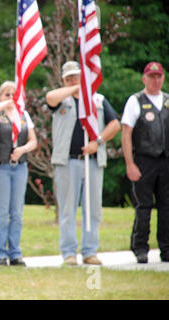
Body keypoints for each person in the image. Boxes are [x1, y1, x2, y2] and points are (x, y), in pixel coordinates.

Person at [45, 61, 121, 266]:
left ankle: (90, 251)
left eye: (76, 76)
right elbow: (50, 98)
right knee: (68, 209)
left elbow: (115, 124)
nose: (73, 80)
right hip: (67, 161)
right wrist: (75, 89)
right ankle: (69, 253)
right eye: (69, 77)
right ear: (63, 80)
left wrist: (98, 142)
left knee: (93, 209)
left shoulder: (98, 100)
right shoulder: (62, 99)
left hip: (93, 161)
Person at [0, 81, 37, 266]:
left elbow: (33, 141)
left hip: (19, 166)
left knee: (17, 212)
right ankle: (0, 253)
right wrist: (5, 103)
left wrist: (22, 150)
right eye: (7, 94)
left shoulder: (23, 115)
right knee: (2, 212)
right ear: (0, 96)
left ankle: (15, 253)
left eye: (14, 94)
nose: (11, 97)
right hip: (0, 165)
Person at [121, 62, 169, 264]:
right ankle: (140, 247)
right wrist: (130, 164)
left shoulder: (167, 100)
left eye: (159, 76)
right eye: (152, 77)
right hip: (144, 160)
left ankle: (166, 248)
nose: (155, 80)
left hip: (166, 161)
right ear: (144, 79)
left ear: (163, 78)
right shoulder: (136, 101)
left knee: (166, 207)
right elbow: (126, 133)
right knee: (144, 206)